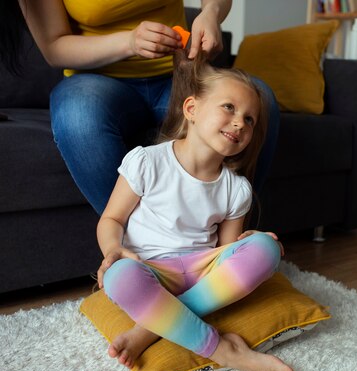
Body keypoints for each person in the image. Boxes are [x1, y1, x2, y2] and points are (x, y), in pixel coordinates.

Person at [96, 50, 294, 371]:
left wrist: (247, 243)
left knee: (267, 249)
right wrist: (113, 251)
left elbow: (224, 253)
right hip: (151, 269)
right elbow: (111, 219)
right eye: (229, 107)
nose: (239, 122)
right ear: (192, 108)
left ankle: (150, 328)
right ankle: (221, 349)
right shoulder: (147, 162)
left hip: (201, 271)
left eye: (249, 119)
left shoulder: (236, 189)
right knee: (119, 278)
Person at [1, 0, 278, 214]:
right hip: (96, 80)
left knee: (260, 99)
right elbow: (54, 48)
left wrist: (211, 13)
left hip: (178, 72)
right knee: (79, 118)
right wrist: (130, 42)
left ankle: (229, 242)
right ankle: (145, 246)